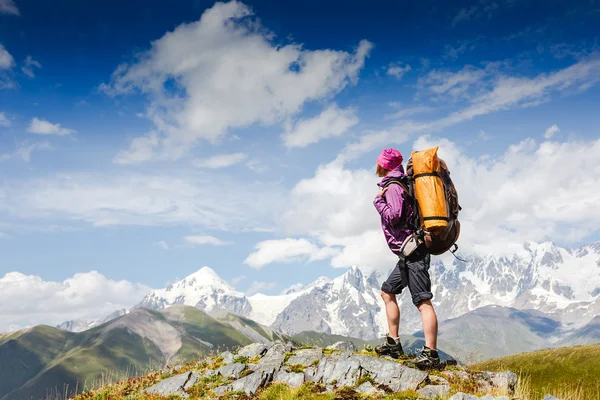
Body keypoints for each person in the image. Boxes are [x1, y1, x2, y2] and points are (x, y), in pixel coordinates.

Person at [372, 147, 440, 369]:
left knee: (423, 301)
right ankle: (394, 343)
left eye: (379, 162)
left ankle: (431, 353)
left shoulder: (393, 187)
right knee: (387, 290)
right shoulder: (401, 182)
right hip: (407, 252)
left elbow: (395, 216)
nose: (377, 166)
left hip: (414, 252)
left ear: (384, 165)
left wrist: (379, 203)